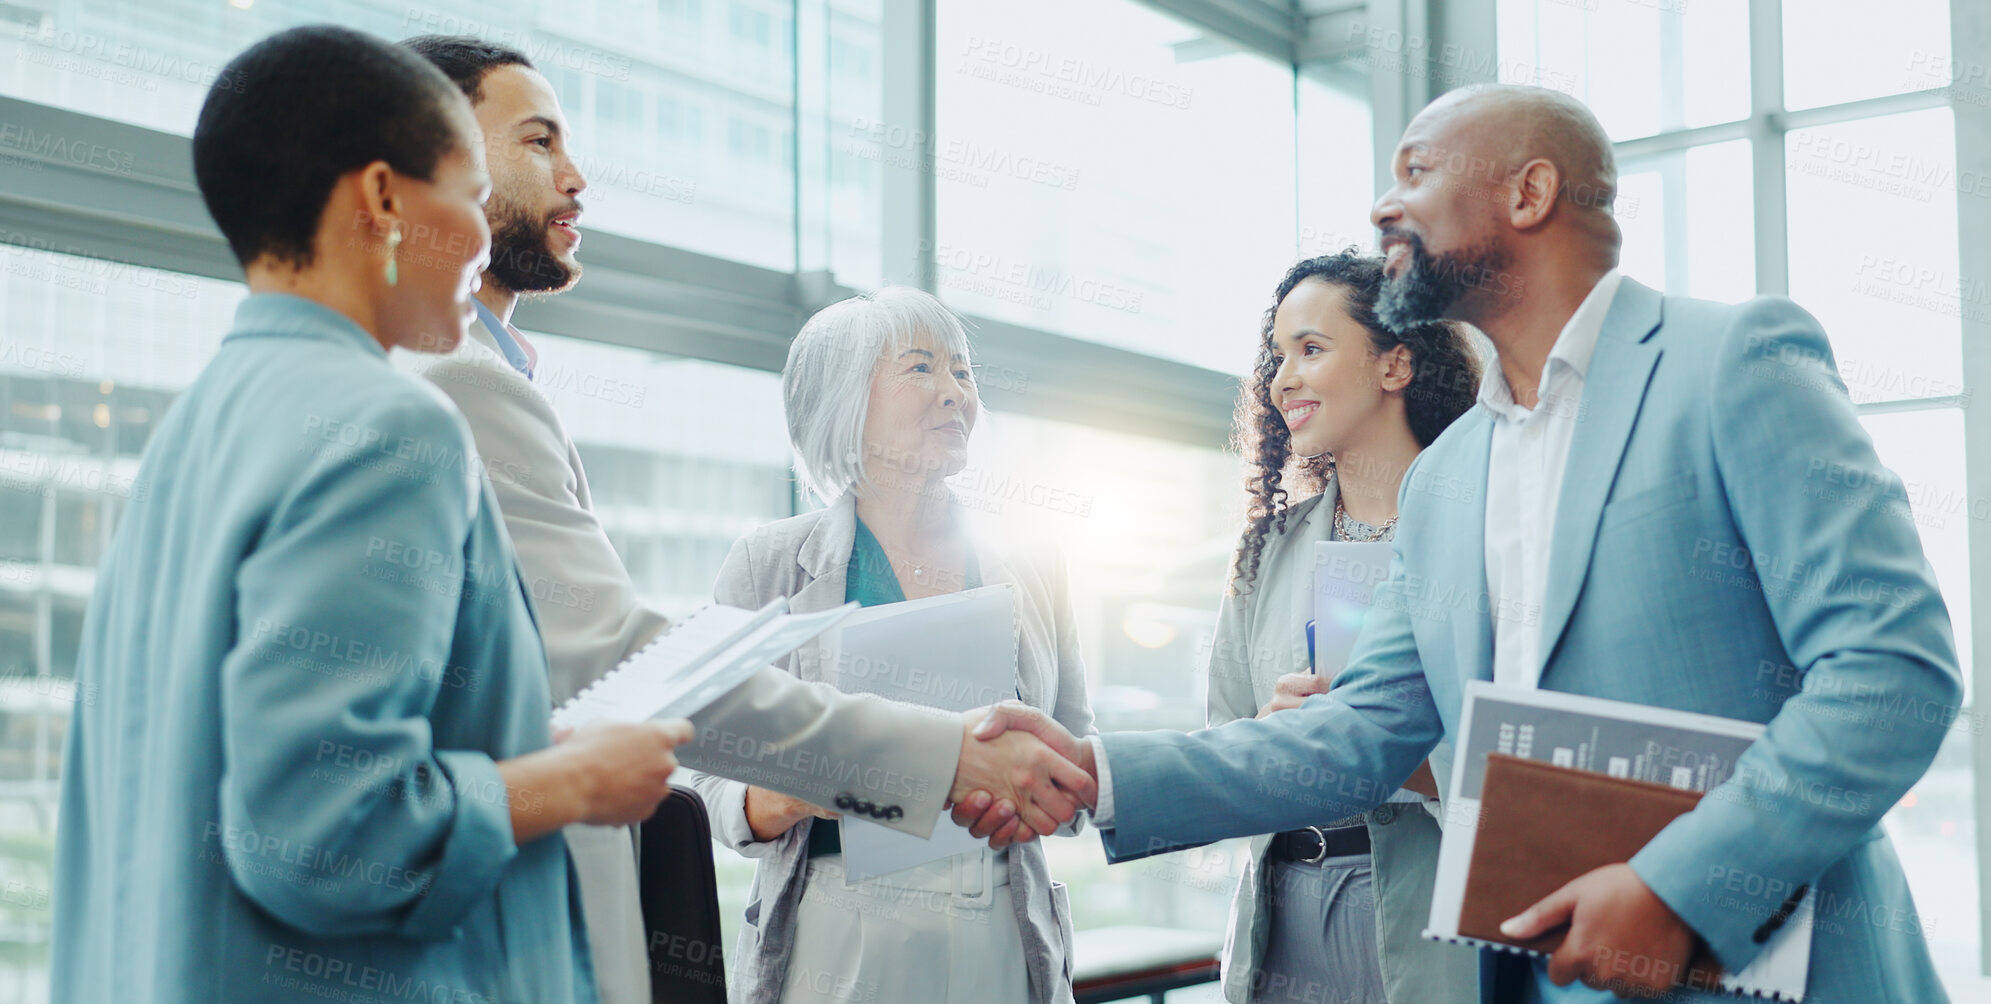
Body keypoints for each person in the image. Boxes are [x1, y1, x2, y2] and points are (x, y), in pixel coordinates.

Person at [965, 83, 1958, 1003]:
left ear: (1529, 192)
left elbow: (1889, 670)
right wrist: (1094, 771)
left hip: (1783, 968)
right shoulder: (1446, 479)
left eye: (1415, 171)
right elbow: (1362, 733)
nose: (1381, 207)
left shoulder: (1729, 362)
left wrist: (1680, 885)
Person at [394, 37, 1094, 1002]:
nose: (576, 175)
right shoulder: (460, 381)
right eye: (538, 139)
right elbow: (621, 661)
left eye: (961, 370)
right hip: (788, 931)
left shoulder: (439, 374)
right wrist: (943, 758)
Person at [51, 26, 696, 1004]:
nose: (482, 241)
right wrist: (570, 784)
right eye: (472, 199)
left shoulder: (198, 426)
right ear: (385, 199)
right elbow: (316, 832)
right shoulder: (391, 424)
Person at [685, 286, 1096, 1004]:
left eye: (963, 373)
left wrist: (1051, 787)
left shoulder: (1034, 564)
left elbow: (1079, 748)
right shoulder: (770, 563)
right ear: (844, 400)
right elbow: (706, 779)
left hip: (998, 911)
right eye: (920, 368)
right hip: (841, 924)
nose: (954, 393)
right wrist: (787, 793)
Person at [1209, 251, 1481, 1004]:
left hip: (1426, 908)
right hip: (1285, 905)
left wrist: (1384, 751)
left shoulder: (1485, 535)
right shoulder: (1266, 551)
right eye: (1276, 357)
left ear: (1394, 364)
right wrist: (1270, 734)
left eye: (1311, 349)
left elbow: (1528, 761)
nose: (1281, 379)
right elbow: (1220, 733)